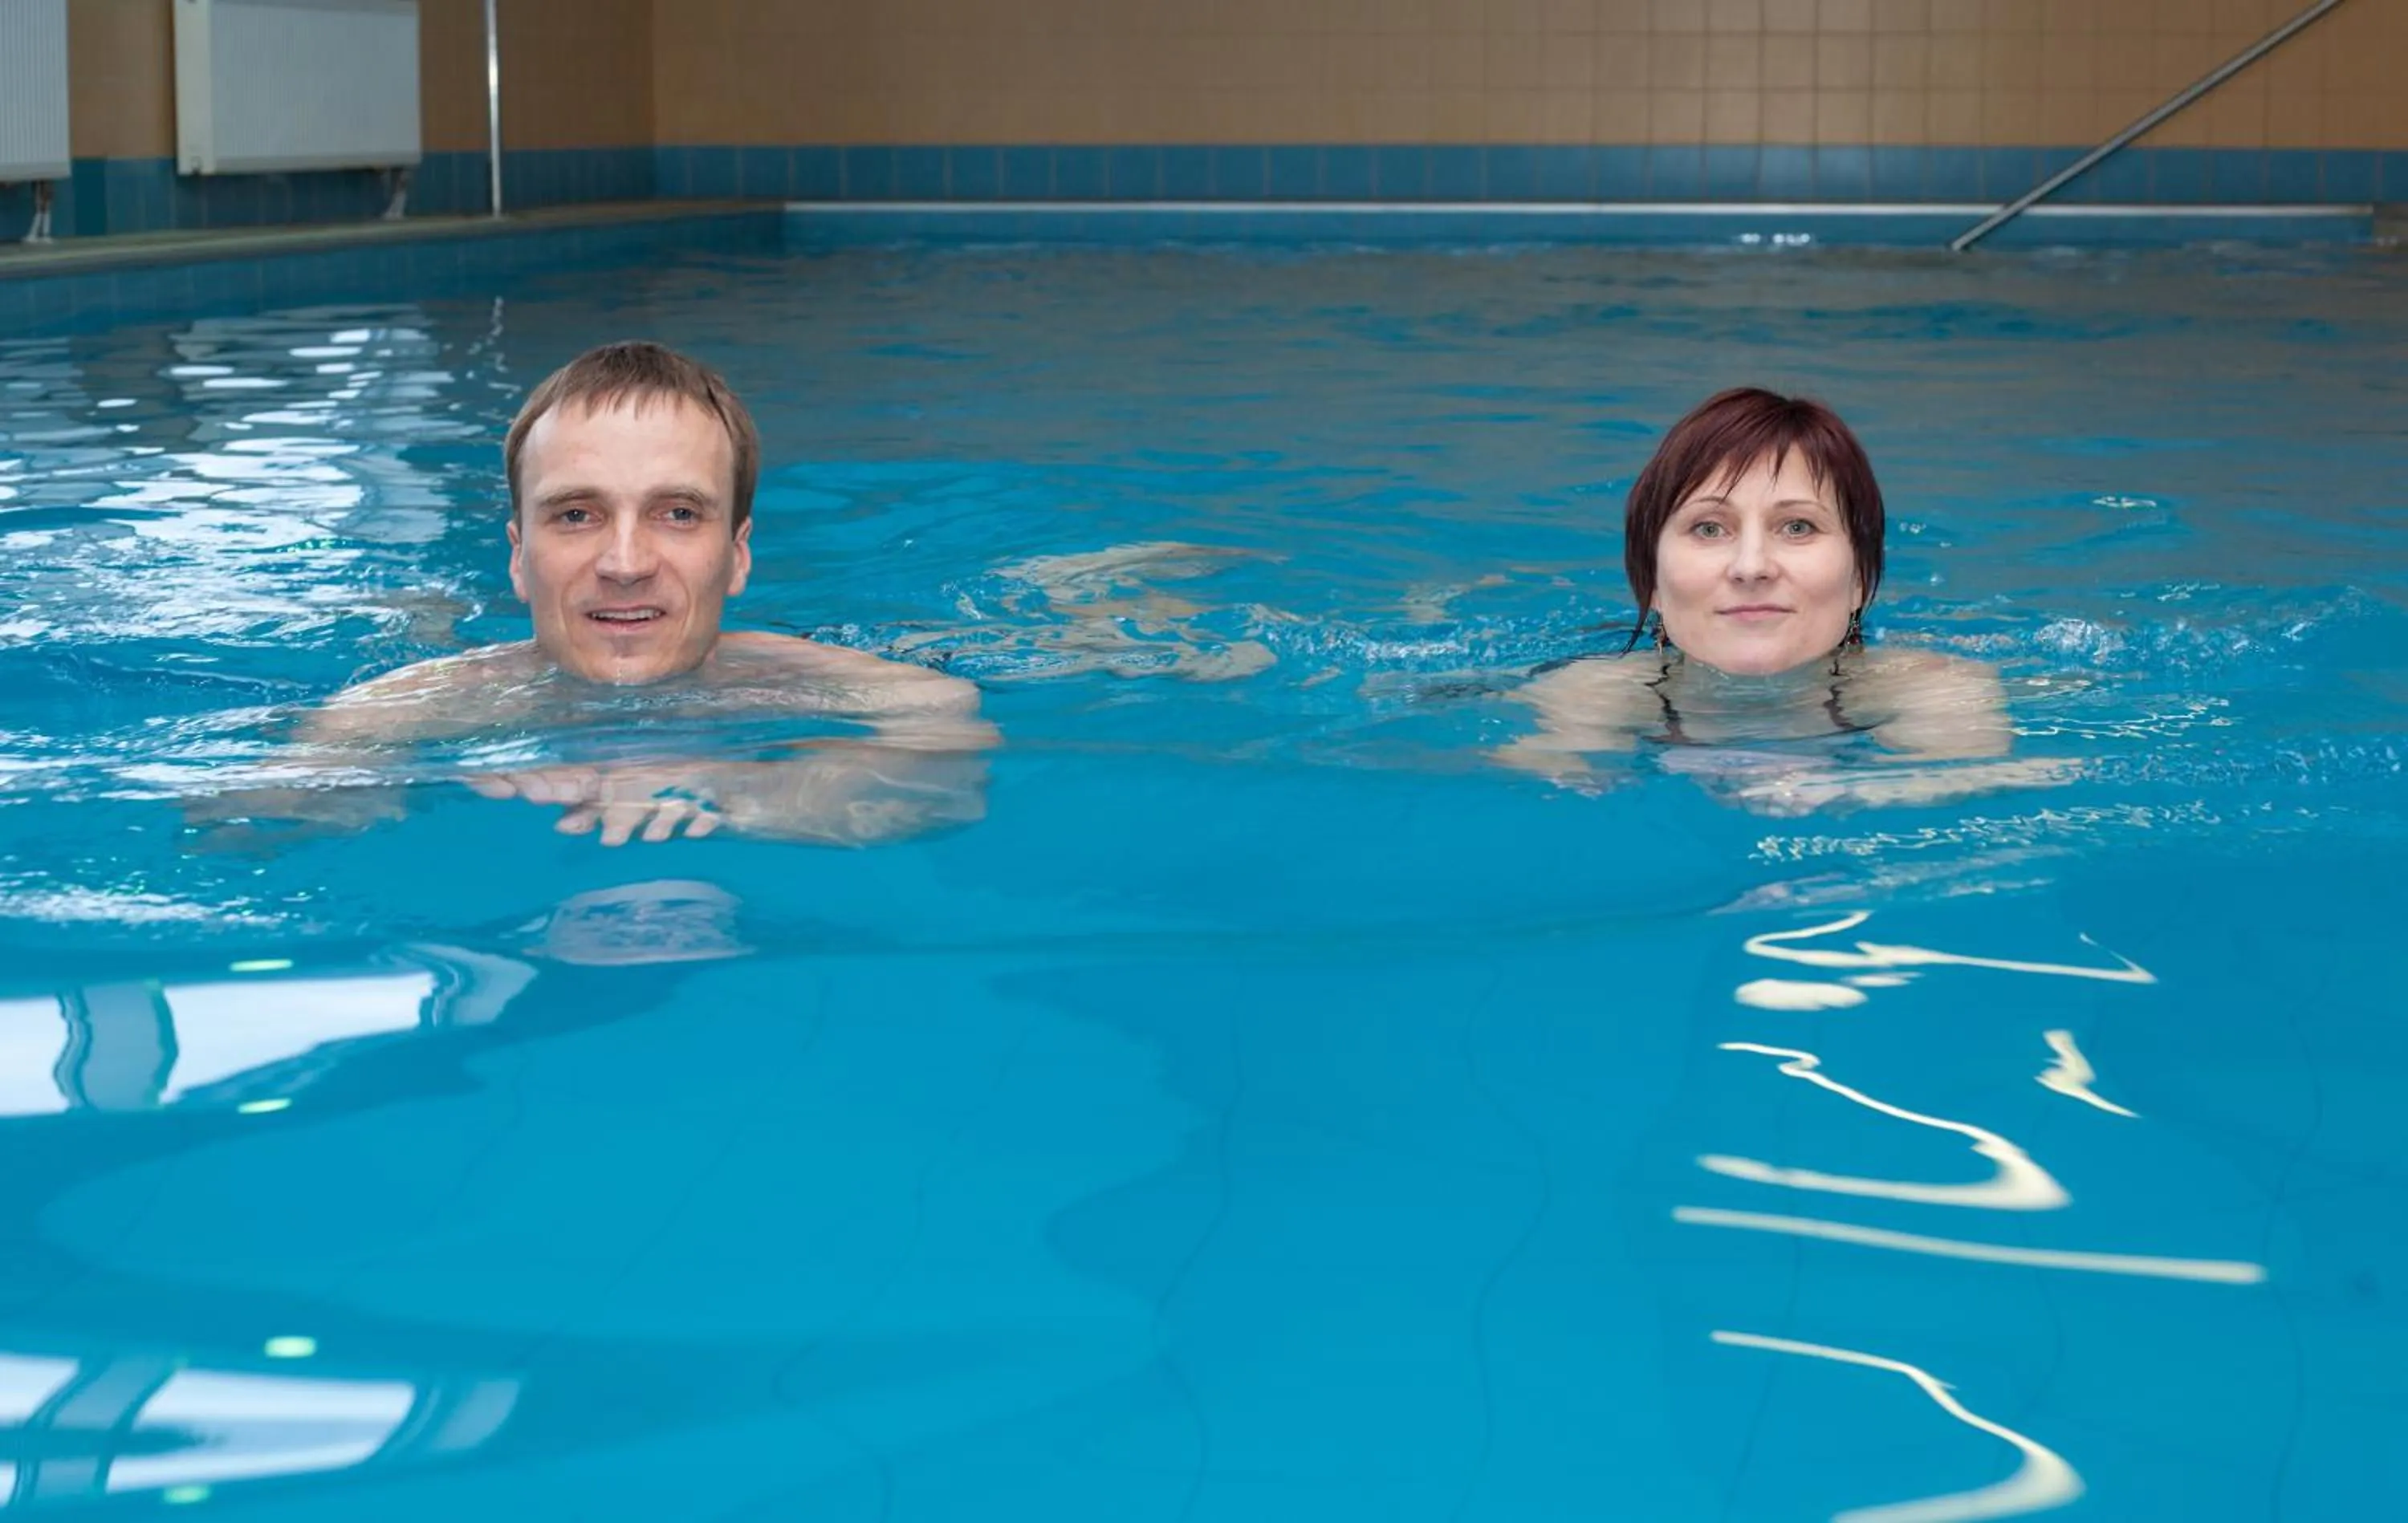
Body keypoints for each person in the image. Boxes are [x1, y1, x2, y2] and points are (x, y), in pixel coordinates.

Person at [194, 341, 992, 847]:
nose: (624, 560)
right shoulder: (408, 706)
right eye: (576, 514)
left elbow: (946, 742)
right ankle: (419, 617)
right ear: (518, 558)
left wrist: (734, 788)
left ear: (738, 557)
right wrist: (391, 783)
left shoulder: (811, 679)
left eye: (677, 513)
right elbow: (228, 829)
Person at [1495, 387, 2064, 812]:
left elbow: (1986, 785)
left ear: (1862, 579)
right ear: (1651, 584)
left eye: (1797, 527)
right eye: (1710, 529)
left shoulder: (1933, 687)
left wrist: (1839, 789)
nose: (1752, 567)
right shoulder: (1594, 691)